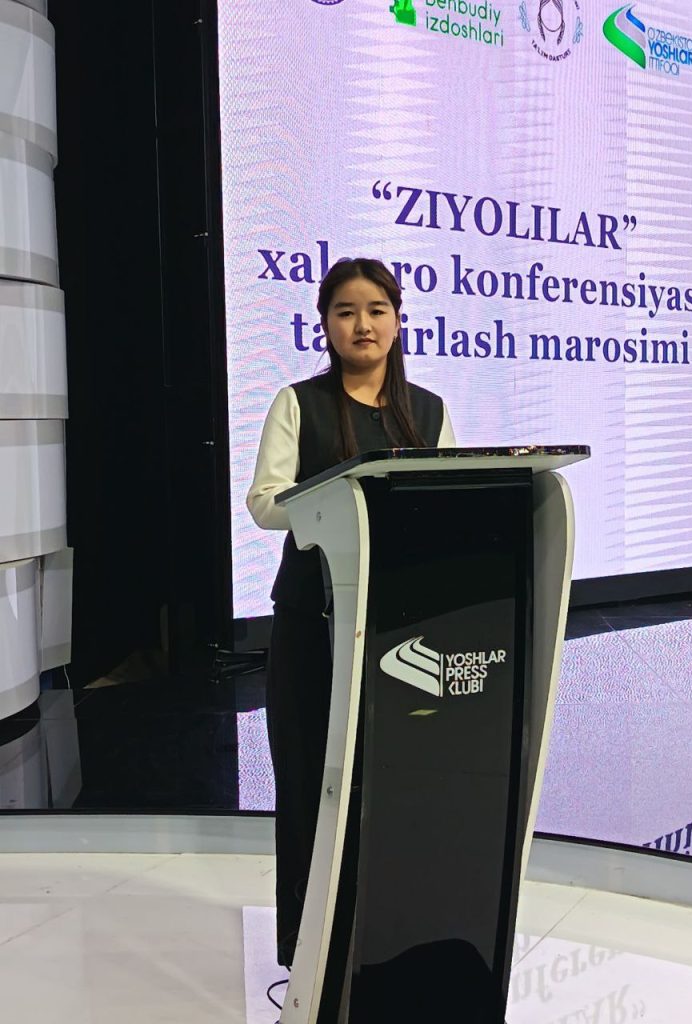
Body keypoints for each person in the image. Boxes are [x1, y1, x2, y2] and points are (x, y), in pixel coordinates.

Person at [246, 257, 455, 967]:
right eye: (345, 311)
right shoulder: (298, 402)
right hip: (313, 621)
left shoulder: (426, 410)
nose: (362, 325)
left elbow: (447, 500)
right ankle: (306, 952)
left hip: (401, 624)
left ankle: (389, 934)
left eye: (376, 310)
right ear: (325, 323)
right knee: (309, 779)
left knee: (393, 779)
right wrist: (339, 497)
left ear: (398, 320)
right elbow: (266, 503)